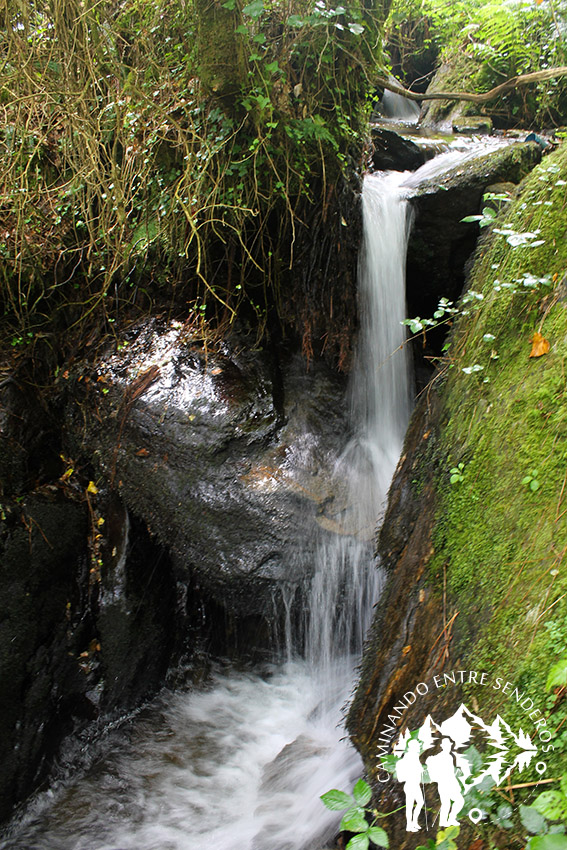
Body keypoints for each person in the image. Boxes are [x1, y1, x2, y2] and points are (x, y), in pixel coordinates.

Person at [425, 737, 465, 827]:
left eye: (449, 745)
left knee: (459, 801)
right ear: (442, 746)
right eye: (446, 745)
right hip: (444, 783)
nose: (448, 747)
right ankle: (444, 821)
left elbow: (450, 772)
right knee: (446, 803)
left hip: (450, 782)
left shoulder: (449, 757)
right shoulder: (440, 757)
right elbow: (430, 761)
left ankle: (450, 818)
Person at [395, 738, 424, 832]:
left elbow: (419, 769)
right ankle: (409, 825)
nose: (418, 748)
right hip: (410, 785)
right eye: (417, 747)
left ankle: (414, 822)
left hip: (415, 784)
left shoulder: (415, 757)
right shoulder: (408, 758)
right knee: (410, 805)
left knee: (420, 802)